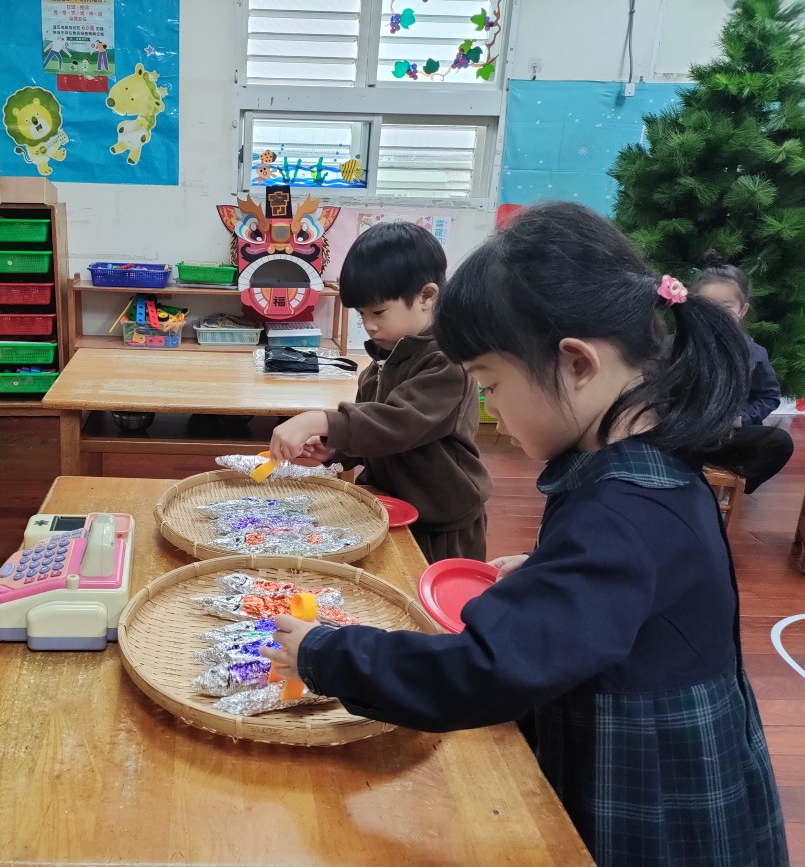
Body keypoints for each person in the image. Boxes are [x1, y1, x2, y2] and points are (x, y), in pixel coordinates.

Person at [261, 202, 787, 866]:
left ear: (577, 364)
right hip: (645, 732)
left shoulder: (622, 508)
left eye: (492, 385)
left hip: (650, 793)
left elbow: (488, 668)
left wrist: (329, 655)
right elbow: (634, 592)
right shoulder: (642, 465)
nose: (493, 416)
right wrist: (549, 571)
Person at [266, 221, 491, 562]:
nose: (369, 325)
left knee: (423, 591)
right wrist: (334, 449)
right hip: (387, 504)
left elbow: (398, 423)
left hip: (441, 521)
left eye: (379, 312)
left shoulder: (448, 362)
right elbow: (373, 436)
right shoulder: (381, 362)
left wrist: (319, 420)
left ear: (426, 297)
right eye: (362, 314)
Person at [691, 252, 794, 493]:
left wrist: (742, 417)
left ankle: (737, 488)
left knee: (780, 442)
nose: (716, 315)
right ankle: (683, 482)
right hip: (682, 435)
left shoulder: (753, 354)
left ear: (742, 310)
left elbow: (768, 396)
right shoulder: (677, 346)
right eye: (707, 306)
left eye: (726, 307)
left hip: (726, 437)